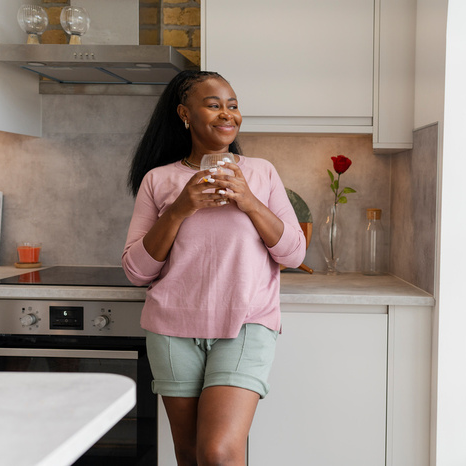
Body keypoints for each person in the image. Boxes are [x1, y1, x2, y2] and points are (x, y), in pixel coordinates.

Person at [122, 70, 306, 466]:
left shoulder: (261, 172)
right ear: (184, 114)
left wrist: (250, 201)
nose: (228, 114)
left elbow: (294, 254)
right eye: (214, 104)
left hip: (245, 325)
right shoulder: (159, 180)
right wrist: (179, 209)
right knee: (189, 456)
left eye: (233, 105)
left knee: (218, 452)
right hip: (172, 330)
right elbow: (136, 272)